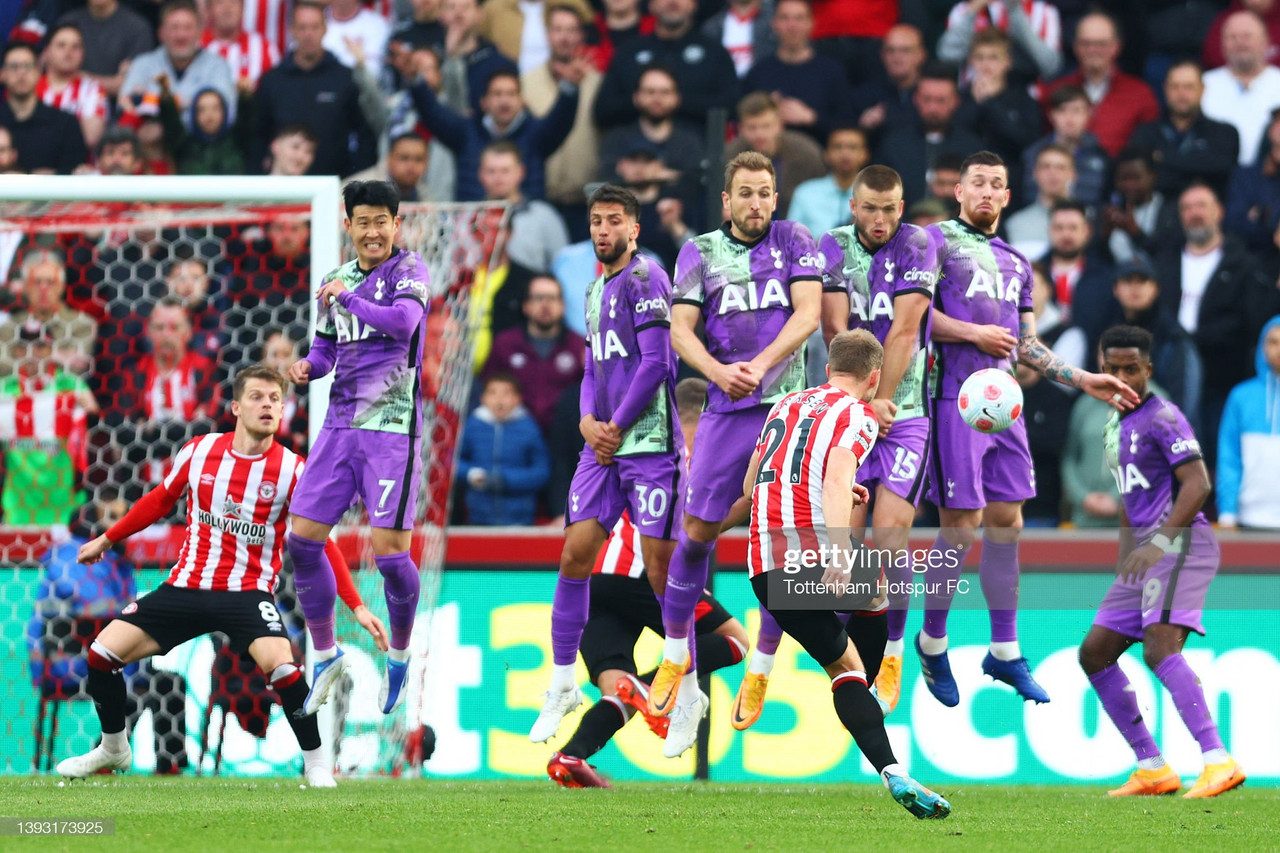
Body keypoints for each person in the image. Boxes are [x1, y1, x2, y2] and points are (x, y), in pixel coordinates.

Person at [55, 367, 388, 785]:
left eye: (274, 399)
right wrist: (107, 538)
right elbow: (160, 500)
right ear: (235, 406)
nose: (267, 405)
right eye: (257, 397)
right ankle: (113, 747)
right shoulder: (199, 452)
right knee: (102, 655)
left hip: (246, 593)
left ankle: (318, 764)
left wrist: (355, 605)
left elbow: (323, 544)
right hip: (187, 586)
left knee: (283, 667)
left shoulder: (293, 470)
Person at [916, 150, 1138, 708]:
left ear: (1008, 198)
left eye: (997, 184)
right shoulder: (933, 243)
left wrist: (1083, 377)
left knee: (1007, 521)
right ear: (959, 191)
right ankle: (931, 640)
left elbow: (1027, 343)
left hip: (1002, 404)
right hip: (953, 398)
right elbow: (911, 315)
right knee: (961, 526)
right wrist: (972, 334)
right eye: (978, 183)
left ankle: (1005, 650)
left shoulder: (1016, 261)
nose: (987, 192)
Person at [748, 163, 936, 719]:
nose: (880, 219)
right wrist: (860, 399)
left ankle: (894, 652)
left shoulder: (919, 244)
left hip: (899, 407)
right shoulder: (829, 245)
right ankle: (765, 658)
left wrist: (884, 399)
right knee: (826, 549)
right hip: (846, 399)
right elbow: (837, 333)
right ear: (853, 207)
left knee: (888, 532)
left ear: (901, 209)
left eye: (890, 208)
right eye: (869, 208)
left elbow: (905, 330)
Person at [651, 151, 820, 754]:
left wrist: (761, 366)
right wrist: (721, 373)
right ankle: (676, 656)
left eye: (765, 193)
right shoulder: (699, 250)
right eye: (744, 193)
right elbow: (679, 330)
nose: (755, 203)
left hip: (786, 409)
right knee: (695, 532)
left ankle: (762, 667)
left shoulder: (796, 239)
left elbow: (810, 313)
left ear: (776, 198)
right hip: (726, 406)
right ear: (726, 200)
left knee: (786, 540)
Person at [744, 328, 951, 819]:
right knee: (873, 606)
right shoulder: (859, 416)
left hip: (763, 565)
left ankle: (879, 736)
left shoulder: (786, 405)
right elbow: (837, 475)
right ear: (876, 377)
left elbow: (754, 480)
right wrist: (838, 550)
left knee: (853, 645)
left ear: (826, 367)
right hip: (813, 551)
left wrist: (838, 493)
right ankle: (871, 712)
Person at [527, 184, 684, 750]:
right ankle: (564, 682)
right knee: (574, 553)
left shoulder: (646, 278)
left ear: (634, 229)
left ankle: (683, 686)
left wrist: (613, 422)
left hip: (649, 445)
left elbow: (656, 362)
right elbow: (595, 366)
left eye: (614, 221)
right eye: (596, 220)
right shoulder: (594, 289)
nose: (603, 230)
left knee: (660, 566)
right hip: (604, 446)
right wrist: (587, 421)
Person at [546, 377, 749, 788]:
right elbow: (698, 523)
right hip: (645, 572)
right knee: (735, 640)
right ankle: (649, 687)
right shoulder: (690, 453)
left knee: (616, 689)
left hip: (592, 579)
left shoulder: (632, 441)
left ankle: (570, 756)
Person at [1079, 324, 1246, 799]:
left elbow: (1197, 485)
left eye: (1131, 369)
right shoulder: (1116, 425)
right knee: (1093, 653)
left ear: (1148, 369)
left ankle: (1218, 761)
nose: (1122, 378)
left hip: (1181, 545)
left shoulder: (1163, 417)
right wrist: (1126, 558)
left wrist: (1158, 544)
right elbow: (1132, 502)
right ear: (1101, 368)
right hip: (1148, 552)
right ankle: (1153, 768)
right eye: (1112, 369)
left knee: (1159, 648)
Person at [285, 181, 431, 719]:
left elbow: (402, 324)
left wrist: (348, 298)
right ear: (348, 226)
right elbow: (326, 349)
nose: (372, 231)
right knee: (301, 541)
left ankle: (398, 653)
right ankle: (325, 653)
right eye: (363, 221)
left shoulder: (409, 271)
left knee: (391, 557)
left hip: (391, 430)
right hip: (339, 427)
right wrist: (308, 366)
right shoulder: (333, 280)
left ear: (396, 224)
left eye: (382, 221)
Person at [1041, 11, 1159, 158]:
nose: (1093, 50)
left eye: (1101, 44)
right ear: (1076, 47)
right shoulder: (1055, 90)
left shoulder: (1140, 94)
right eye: (1086, 43)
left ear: (1116, 46)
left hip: (1118, 177)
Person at [482, 275, 586, 434]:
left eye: (552, 298)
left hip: (564, 435)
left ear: (563, 305)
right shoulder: (505, 343)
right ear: (525, 306)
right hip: (513, 434)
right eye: (538, 298)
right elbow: (485, 387)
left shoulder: (579, 346)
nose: (545, 305)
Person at [741, 0, 851, 144]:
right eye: (785, 18)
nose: (792, 26)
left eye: (799, 18)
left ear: (811, 23)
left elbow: (847, 124)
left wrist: (812, 118)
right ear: (774, 24)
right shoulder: (758, 72)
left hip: (819, 155)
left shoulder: (831, 72)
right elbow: (742, 119)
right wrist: (766, 108)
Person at [118, 0, 236, 132]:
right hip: (148, 148)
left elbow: (226, 113)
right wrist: (191, 106)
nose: (181, 35)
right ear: (161, 33)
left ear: (199, 32)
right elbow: (124, 106)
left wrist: (151, 103)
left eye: (188, 28)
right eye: (174, 28)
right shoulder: (142, 64)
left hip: (200, 147)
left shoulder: (218, 67)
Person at [1128, 61, 1239, 201]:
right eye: (1175, 87)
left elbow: (1221, 169)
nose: (1181, 93)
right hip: (1156, 213)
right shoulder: (1146, 133)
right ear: (1165, 89)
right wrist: (1197, 167)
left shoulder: (1224, 133)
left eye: (1189, 87)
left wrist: (1163, 158)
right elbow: (1138, 176)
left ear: (1202, 89)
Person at [458, 373, 551, 525]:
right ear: (483, 398)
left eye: (506, 393)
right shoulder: (471, 426)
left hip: (520, 518)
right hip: (478, 517)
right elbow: (452, 462)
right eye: (493, 393)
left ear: (518, 399)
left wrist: (504, 480)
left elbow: (541, 472)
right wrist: (471, 474)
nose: (499, 400)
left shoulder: (529, 428)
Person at [1217, 316, 1280, 529]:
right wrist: (1227, 513)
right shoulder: (1241, 396)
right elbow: (1229, 457)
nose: (1279, 349)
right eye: (1273, 342)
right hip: (1249, 517)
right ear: (1262, 347)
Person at [1201, 10, 1280, 167]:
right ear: (1222, 43)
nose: (1240, 43)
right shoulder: (1203, 84)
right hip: (1215, 175)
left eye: (1247, 36)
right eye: (1232, 37)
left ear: (1266, 41)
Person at [0, 41, 88, 174]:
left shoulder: (65, 123)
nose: (21, 73)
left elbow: (75, 174)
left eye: (27, 66)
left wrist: (52, 177)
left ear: (39, 72)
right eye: (14, 67)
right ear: (3, 74)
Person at [786, 127, 871, 236]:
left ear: (865, 154)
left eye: (852, 147)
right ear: (826, 154)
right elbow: (790, 240)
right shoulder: (805, 193)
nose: (845, 153)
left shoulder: (875, 195)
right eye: (838, 147)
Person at [38, 23, 108, 150]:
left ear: (83, 53)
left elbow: (91, 138)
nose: (68, 52)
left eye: (75, 47)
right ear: (46, 52)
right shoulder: (31, 87)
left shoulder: (92, 89)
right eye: (61, 45)